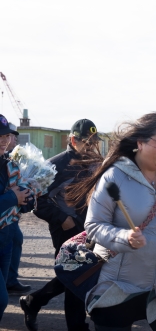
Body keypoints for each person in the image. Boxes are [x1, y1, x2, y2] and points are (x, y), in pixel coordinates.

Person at [73, 112, 156, 331]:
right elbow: (93, 225)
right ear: (140, 143)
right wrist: (124, 237)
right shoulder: (114, 177)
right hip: (119, 288)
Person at [20, 119, 103, 331]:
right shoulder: (54, 166)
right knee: (73, 275)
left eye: (94, 142)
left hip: (91, 228)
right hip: (66, 229)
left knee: (78, 275)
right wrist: (62, 219)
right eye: (87, 142)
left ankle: (34, 301)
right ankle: (76, 326)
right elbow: (37, 201)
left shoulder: (96, 163)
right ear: (73, 140)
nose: (91, 147)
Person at [0, 115, 37, 321]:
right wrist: (13, 196)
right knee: (1, 300)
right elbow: (12, 196)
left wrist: (28, 198)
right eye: (0, 136)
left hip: (6, 237)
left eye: (6, 135)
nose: (4, 140)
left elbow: (22, 201)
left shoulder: (10, 164)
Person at [3, 124, 32, 295]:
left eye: (11, 136)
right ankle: (9, 282)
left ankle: (10, 280)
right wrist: (13, 196)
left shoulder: (10, 162)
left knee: (15, 240)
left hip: (10, 217)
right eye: (8, 136)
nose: (11, 140)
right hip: (5, 218)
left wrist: (29, 193)